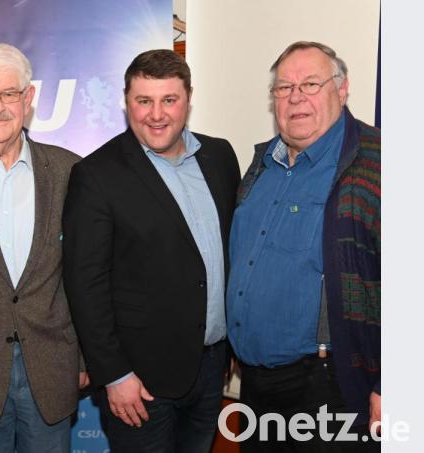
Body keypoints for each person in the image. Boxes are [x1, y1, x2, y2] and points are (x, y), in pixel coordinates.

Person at [62, 49, 241, 452]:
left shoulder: (220, 156)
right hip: (140, 382)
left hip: (212, 365)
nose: (156, 114)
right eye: (144, 101)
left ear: (188, 99)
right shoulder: (96, 175)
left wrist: (231, 342)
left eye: (169, 100)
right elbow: (84, 285)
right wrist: (114, 374)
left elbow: (228, 253)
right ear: (127, 102)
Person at [227, 41, 380, 451]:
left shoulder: (380, 163)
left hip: (331, 386)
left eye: (310, 84)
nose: (295, 97)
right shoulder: (261, 164)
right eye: (284, 87)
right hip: (255, 387)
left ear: (342, 89)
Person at [0, 43, 88, 453]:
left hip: (52, 368)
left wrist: (85, 358)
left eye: (8, 93)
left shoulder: (70, 170)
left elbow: (86, 275)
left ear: (28, 99)